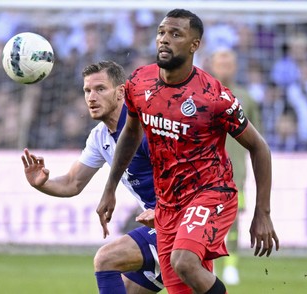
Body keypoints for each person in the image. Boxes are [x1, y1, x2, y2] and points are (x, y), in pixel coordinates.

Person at [97, 9, 279, 294]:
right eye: (161, 32)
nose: (164, 40)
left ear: (194, 45)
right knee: (182, 285)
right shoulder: (140, 82)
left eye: (175, 34)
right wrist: (109, 189)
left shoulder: (214, 97)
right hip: (169, 205)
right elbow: (131, 133)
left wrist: (263, 213)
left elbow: (259, 147)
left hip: (212, 193)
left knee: (184, 261)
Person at [21, 60, 164, 294]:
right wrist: (42, 184)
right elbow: (72, 183)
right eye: (87, 90)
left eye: (100, 89)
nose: (91, 97)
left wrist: (163, 212)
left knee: (106, 259)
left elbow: (185, 177)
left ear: (120, 93)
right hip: (160, 224)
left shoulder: (147, 127)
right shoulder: (99, 137)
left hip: (181, 220)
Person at [207, 48, 261, 285]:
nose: (225, 67)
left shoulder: (246, 97)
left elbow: (258, 139)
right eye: (221, 62)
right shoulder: (202, 93)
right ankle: (207, 264)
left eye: (229, 62)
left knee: (233, 220)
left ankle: (231, 264)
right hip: (204, 169)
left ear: (235, 67)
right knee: (203, 220)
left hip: (235, 170)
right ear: (213, 65)